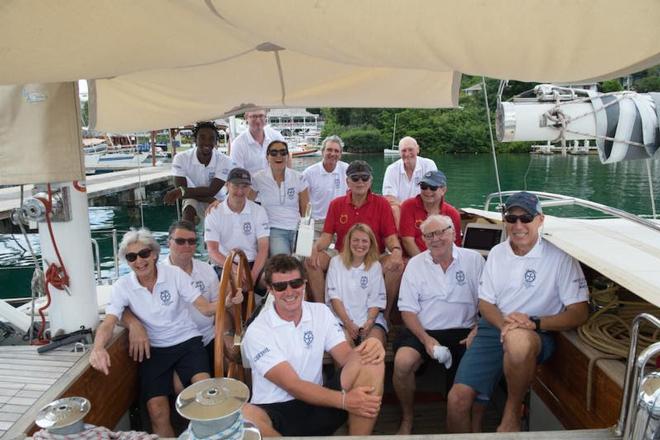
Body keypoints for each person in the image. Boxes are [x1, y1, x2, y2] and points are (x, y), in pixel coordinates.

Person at [447, 192, 589, 433]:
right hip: (495, 327)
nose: (518, 225)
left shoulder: (559, 258)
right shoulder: (497, 253)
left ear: (540, 220)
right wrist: (504, 324)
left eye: (526, 218)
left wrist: (535, 322)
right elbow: (485, 303)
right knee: (456, 401)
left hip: (537, 331)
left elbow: (579, 311)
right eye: (511, 218)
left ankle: (512, 413)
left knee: (518, 341)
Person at [89, 228, 217, 437]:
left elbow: (204, 307)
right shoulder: (123, 286)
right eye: (131, 257)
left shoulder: (174, 274)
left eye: (144, 254)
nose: (139, 261)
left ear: (155, 253)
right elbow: (109, 321)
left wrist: (228, 301)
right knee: (156, 410)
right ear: (127, 261)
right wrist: (98, 348)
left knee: (203, 392)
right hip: (154, 350)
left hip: (187, 342)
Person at [241, 255, 385, 436]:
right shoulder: (258, 330)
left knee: (371, 361)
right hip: (276, 411)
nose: (289, 291)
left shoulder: (320, 312)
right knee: (245, 415)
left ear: (304, 283)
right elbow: (292, 385)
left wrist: (371, 346)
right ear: (270, 290)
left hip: (318, 403)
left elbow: (346, 357)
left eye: (295, 283)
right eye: (280, 286)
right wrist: (344, 401)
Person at [393, 214, 484, 434]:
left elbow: (489, 303)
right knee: (403, 362)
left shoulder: (474, 260)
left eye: (441, 232)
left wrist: (478, 329)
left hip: (466, 331)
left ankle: (465, 424)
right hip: (423, 330)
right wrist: (426, 339)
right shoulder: (415, 265)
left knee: (461, 389)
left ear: (453, 232)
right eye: (429, 235)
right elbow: (407, 310)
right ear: (423, 239)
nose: (436, 239)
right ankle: (407, 418)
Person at [306, 160, 404, 321]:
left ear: (371, 181)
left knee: (397, 266)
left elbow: (390, 237)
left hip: (374, 256)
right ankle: (322, 313)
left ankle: (383, 316)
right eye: (355, 178)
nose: (360, 182)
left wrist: (396, 251)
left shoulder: (382, 204)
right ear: (347, 181)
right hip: (342, 256)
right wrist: (314, 249)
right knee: (312, 262)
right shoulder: (336, 204)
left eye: (365, 178)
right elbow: (326, 237)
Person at [204, 167, 269, 289]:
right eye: (236, 186)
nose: (240, 191)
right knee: (232, 284)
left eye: (244, 186)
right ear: (227, 185)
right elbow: (212, 250)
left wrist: (252, 276)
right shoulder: (214, 212)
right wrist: (236, 270)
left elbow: (263, 249)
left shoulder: (259, 211)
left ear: (250, 188)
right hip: (226, 263)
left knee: (276, 281)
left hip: (253, 264)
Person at [326, 223, 387, 347]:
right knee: (345, 354)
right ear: (349, 242)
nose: (360, 245)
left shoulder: (375, 266)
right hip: (342, 320)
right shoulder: (336, 262)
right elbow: (334, 298)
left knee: (372, 350)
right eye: (356, 240)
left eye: (364, 241)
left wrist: (369, 323)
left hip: (370, 321)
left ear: (370, 244)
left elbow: (376, 300)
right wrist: (347, 323)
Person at [163, 121, 235, 223]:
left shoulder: (225, 161)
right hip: (201, 199)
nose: (207, 142)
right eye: (202, 137)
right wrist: (207, 199)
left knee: (215, 219)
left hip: (217, 200)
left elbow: (212, 191)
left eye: (211, 139)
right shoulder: (181, 158)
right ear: (195, 140)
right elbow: (182, 191)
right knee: (189, 207)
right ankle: (187, 233)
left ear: (216, 142)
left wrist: (182, 191)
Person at [251, 140, 309, 256]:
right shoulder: (258, 178)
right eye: (274, 153)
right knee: (284, 262)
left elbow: (305, 209)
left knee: (306, 262)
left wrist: (304, 232)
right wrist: (220, 203)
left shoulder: (298, 177)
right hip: (274, 229)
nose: (279, 156)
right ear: (267, 157)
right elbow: (246, 203)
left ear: (287, 156)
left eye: (283, 152)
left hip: (298, 228)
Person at [399, 170, 462, 257]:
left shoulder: (453, 213)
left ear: (443, 190)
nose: (427, 191)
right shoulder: (408, 206)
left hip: (443, 261)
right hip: (415, 259)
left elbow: (455, 245)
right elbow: (407, 241)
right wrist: (424, 264)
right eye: (424, 186)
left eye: (433, 187)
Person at [382, 136, 437, 227]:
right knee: (394, 208)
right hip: (401, 212)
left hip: (425, 208)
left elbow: (434, 193)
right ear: (399, 152)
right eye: (404, 151)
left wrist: (417, 209)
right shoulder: (391, 169)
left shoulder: (429, 165)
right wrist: (408, 209)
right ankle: (401, 237)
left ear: (417, 149)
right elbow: (389, 198)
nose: (407, 154)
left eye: (410, 149)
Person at [301, 135, 349, 237]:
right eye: (329, 150)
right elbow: (302, 201)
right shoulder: (309, 173)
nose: (332, 154)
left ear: (340, 154)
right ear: (322, 152)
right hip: (317, 224)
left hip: (340, 222)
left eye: (336, 151)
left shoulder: (346, 170)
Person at [230, 108, 285, 175]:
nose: (258, 120)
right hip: (250, 184)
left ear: (265, 117)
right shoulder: (238, 144)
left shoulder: (276, 136)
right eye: (254, 116)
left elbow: (287, 158)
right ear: (246, 118)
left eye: (261, 116)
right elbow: (237, 174)